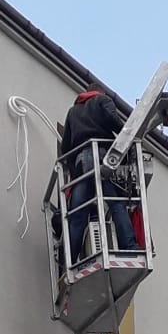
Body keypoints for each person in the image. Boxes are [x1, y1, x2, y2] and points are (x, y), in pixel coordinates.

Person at [58, 89, 141, 264]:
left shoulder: (73, 111)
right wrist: (127, 140)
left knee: (78, 216)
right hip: (101, 156)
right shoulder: (102, 100)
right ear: (98, 91)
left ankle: (68, 263)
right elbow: (114, 121)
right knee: (115, 202)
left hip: (82, 162)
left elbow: (65, 146)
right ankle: (130, 246)